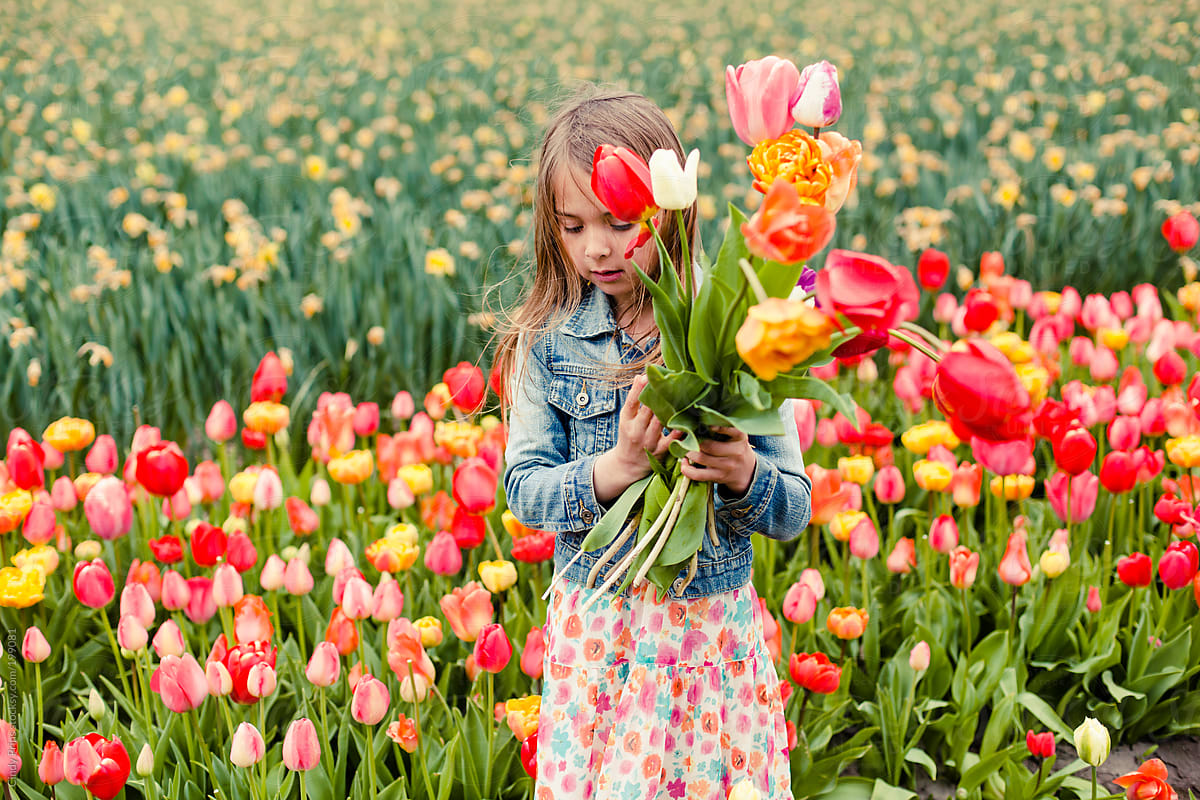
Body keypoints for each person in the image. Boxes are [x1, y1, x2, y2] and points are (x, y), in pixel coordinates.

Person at [496, 85, 813, 800]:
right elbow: (524, 491)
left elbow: (793, 508)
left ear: (672, 210)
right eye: (572, 228)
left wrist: (741, 472)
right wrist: (614, 469)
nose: (597, 247)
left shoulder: (738, 328)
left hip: (707, 639)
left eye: (618, 221)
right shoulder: (548, 343)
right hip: (599, 635)